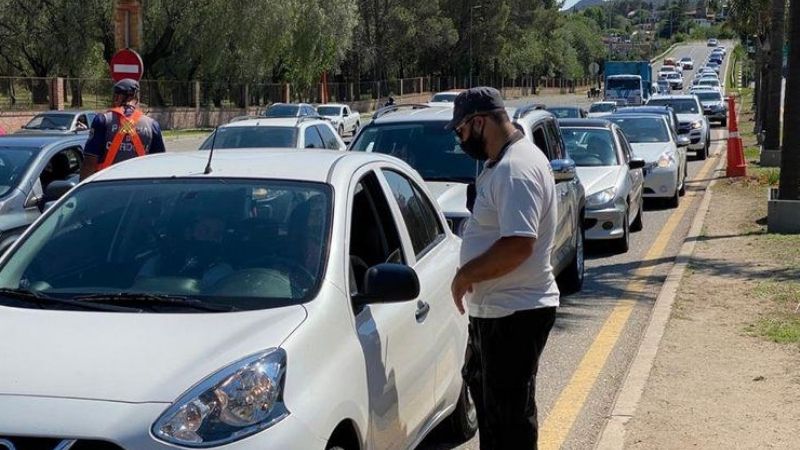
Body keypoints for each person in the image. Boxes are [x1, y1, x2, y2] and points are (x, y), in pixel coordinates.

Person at [447, 87, 559, 449]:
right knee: (494, 416)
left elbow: (518, 245)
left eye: (461, 130)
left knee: (510, 423)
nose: (460, 140)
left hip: (514, 314)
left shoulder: (516, 168)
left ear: (479, 122)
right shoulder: (502, 163)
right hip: (499, 312)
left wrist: (465, 275)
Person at [80, 78, 165, 180]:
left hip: (107, 184)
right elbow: (159, 163)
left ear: (117, 97)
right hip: (139, 185)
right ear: (136, 98)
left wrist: (83, 187)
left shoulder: (103, 120)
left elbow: (89, 162)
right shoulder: (152, 125)